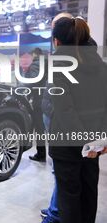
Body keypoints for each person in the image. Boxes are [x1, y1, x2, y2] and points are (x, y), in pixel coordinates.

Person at [49, 16, 107, 223]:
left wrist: (84, 142)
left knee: (69, 199)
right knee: (89, 194)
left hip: (67, 144)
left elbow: (65, 110)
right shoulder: (101, 65)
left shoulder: (59, 66)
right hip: (94, 143)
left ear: (57, 42)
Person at [39, 12, 74, 223]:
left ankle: (56, 213)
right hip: (53, 117)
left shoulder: (67, 59)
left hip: (59, 121)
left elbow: (65, 101)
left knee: (61, 169)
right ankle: (56, 207)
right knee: (58, 169)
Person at [25, 48, 47, 162]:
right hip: (49, 100)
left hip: (39, 101)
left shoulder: (35, 65)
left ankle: (41, 154)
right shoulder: (48, 63)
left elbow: (32, 81)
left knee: (38, 129)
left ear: (34, 54)